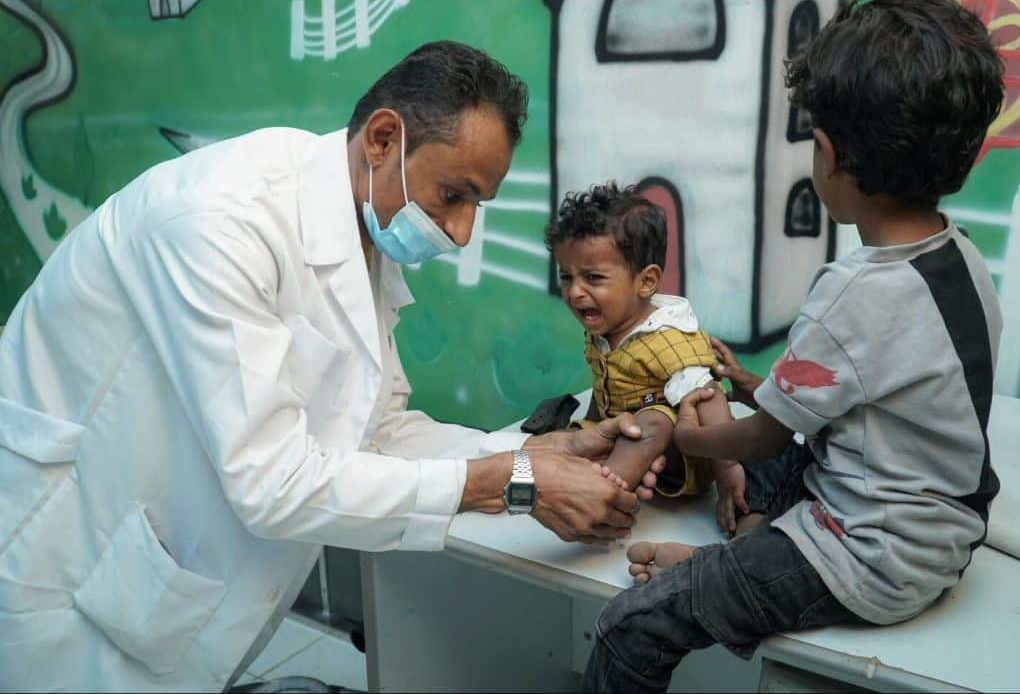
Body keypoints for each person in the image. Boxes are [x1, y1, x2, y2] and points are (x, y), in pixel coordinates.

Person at [0, 41, 659, 692]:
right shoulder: (221, 222)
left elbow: (374, 429)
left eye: (475, 206)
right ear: (381, 139)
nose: (461, 232)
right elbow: (271, 481)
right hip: (66, 564)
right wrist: (517, 482)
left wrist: (538, 448)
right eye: (453, 194)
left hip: (163, 570)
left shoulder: (363, 223)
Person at [582, 0, 1005, 693]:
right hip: (943, 532)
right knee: (762, 488)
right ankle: (737, 556)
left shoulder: (850, 292)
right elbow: (866, 389)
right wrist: (752, 385)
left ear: (831, 155)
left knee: (631, 622)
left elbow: (764, 441)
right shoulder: (960, 258)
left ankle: (722, 572)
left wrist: (683, 437)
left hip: (869, 558)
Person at [544, 182, 744, 512]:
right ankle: (590, 465)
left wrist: (728, 470)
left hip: (687, 457)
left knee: (657, 418)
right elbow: (605, 383)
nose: (575, 292)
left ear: (646, 281)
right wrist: (587, 426)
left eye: (593, 278)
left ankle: (603, 495)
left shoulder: (668, 339)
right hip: (632, 441)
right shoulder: (608, 327)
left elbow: (710, 399)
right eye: (567, 277)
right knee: (578, 433)